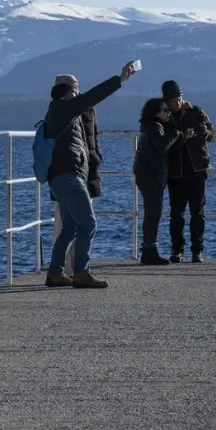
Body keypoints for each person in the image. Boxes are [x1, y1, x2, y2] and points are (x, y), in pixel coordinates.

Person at [44, 61, 137, 288]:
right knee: (88, 224)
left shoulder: (56, 110)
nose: (78, 92)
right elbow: (92, 97)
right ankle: (81, 273)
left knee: (70, 228)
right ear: (68, 90)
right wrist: (119, 79)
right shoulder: (64, 108)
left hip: (60, 178)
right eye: (75, 88)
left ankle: (55, 272)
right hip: (69, 177)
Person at [162, 79, 216, 263]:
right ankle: (177, 251)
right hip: (175, 173)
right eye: (172, 100)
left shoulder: (196, 111)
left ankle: (197, 251)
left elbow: (213, 134)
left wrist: (203, 133)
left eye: (178, 98)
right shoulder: (164, 117)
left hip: (197, 170)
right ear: (166, 101)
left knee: (197, 212)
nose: (176, 102)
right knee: (176, 213)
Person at [133, 97, 181, 265]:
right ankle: (150, 251)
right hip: (151, 175)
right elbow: (162, 146)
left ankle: (148, 250)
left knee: (151, 213)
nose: (168, 112)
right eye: (164, 110)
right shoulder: (154, 126)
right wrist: (175, 133)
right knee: (154, 213)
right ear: (155, 113)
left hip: (146, 174)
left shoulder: (149, 126)